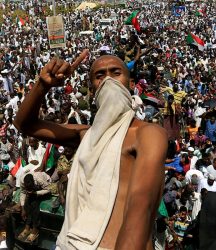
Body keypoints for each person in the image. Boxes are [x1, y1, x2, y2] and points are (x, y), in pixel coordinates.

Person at [14, 51, 168, 249]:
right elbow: (25, 124)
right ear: (92, 90)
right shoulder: (86, 135)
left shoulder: (148, 134)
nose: (108, 81)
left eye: (115, 73)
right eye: (99, 76)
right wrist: (43, 85)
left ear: (131, 85)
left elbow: (140, 210)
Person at [18, 172, 52, 243]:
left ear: (33, 182)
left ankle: (35, 228)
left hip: (45, 186)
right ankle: (27, 227)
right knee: (27, 202)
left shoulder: (39, 179)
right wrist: (23, 209)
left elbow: (49, 189)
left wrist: (36, 193)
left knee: (34, 202)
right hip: (35, 190)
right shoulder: (22, 181)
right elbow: (23, 192)